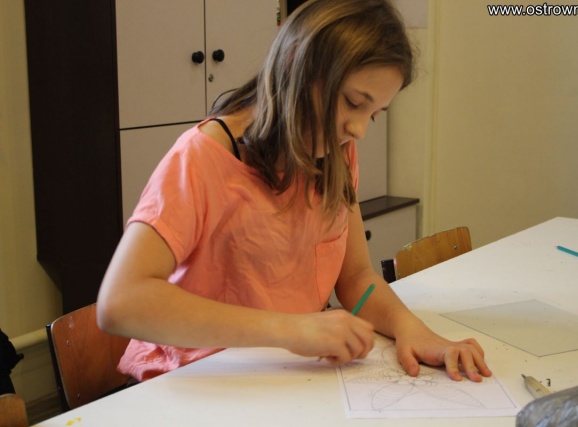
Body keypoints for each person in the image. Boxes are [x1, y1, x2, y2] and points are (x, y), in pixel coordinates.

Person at [96, 0, 492, 383]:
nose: (358, 129)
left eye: (373, 114)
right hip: (196, 380)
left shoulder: (336, 152)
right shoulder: (201, 158)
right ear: (294, 66)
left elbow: (355, 277)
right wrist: (292, 329)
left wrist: (410, 328)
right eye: (352, 102)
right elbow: (121, 302)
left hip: (281, 375)